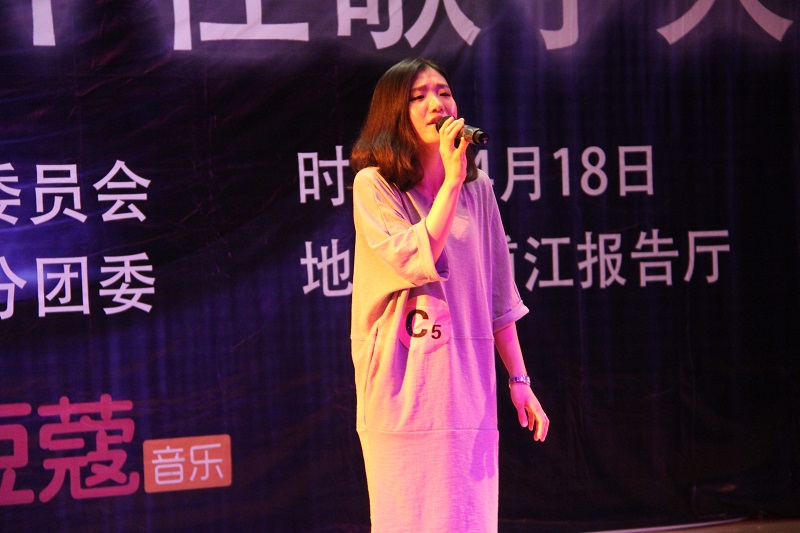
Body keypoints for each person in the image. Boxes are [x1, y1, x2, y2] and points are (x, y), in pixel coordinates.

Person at [349, 57, 549, 532]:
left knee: (467, 515)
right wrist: (452, 183)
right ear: (394, 113)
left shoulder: (478, 189)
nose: (436, 104)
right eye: (418, 97)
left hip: (466, 382)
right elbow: (415, 258)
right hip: (404, 381)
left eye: (443, 92)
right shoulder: (374, 184)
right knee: (409, 516)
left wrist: (519, 379)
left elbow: (498, 294)